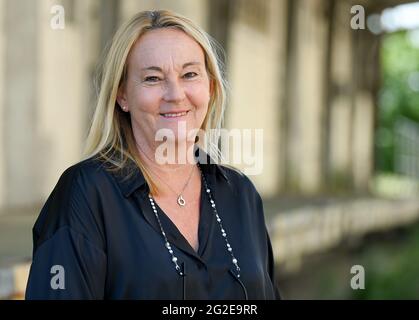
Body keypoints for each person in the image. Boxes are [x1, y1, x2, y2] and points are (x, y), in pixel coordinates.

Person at [25, 9, 281, 300]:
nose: (175, 94)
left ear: (209, 87)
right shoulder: (86, 195)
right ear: (122, 95)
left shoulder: (240, 194)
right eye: (152, 78)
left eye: (189, 74)